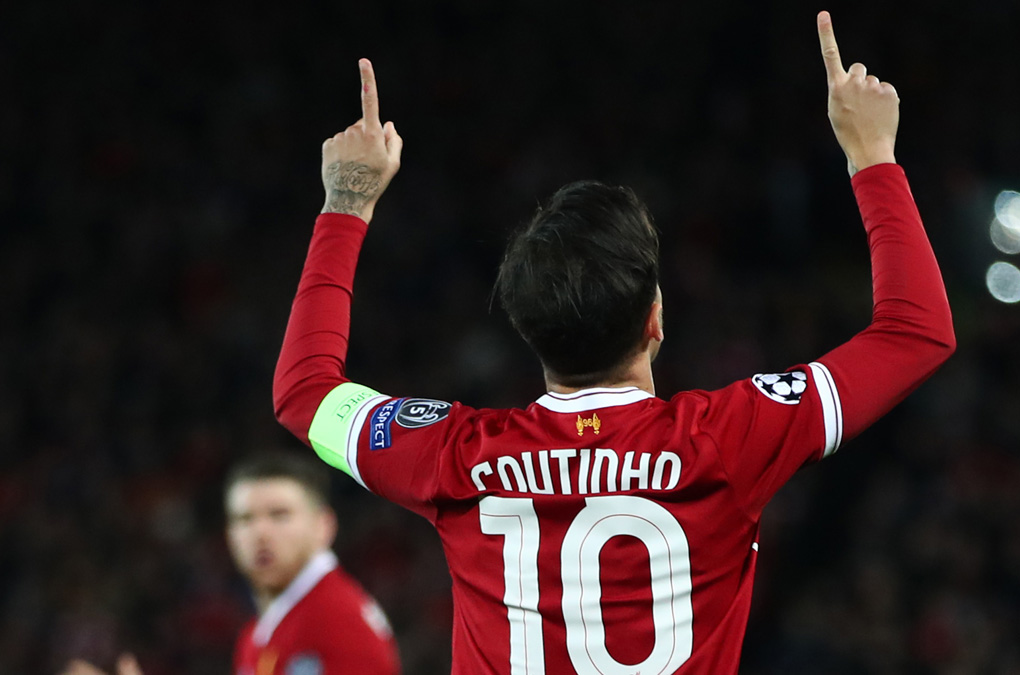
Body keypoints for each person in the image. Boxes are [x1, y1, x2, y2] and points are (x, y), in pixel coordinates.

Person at [273, 10, 954, 674]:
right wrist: (872, 154)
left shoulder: (454, 456)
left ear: (526, 329)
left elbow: (305, 392)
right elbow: (916, 331)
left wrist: (347, 203)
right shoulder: (729, 439)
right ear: (656, 318)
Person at [63, 454, 401, 675]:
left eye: (279, 515)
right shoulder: (258, 632)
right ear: (229, 534)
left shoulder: (338, 623)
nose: (261, 533)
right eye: (245, 519)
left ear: (324, 526)